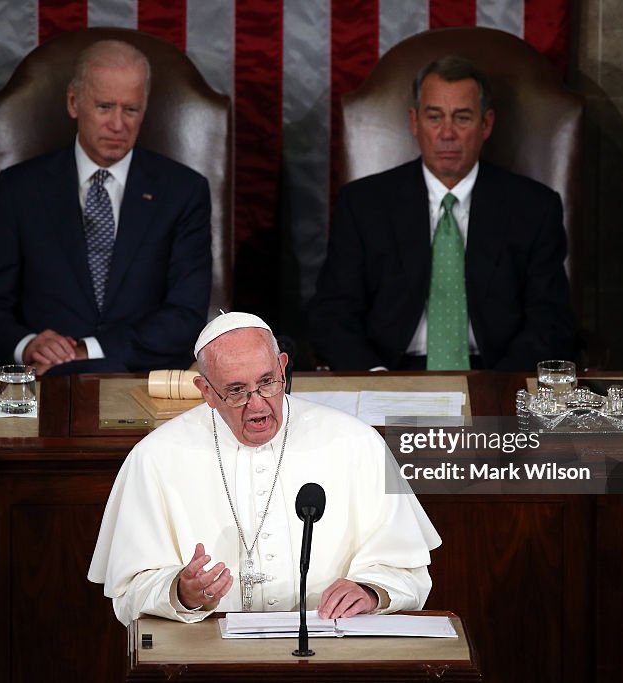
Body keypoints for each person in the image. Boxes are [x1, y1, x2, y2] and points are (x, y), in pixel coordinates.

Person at [88, 311, 441, 625]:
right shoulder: (155, 457)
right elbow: (128, 590)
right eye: (236, 391)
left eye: (268, 382)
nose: (257, 404)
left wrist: (369, 591)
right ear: (206, 391)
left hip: (330, 646)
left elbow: (408, 570)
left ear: (283, 367)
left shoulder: (356, 442)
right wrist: (180, 592)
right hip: (210, 658)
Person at [0, 40, 212, 375]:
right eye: (105, 107)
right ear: (74, 102)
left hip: (143, 382)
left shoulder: (183, 191)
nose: (118, 125)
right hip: (44, 382)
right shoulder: (20, 189)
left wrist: (86, 350)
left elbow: (186, 316)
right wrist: (27, 344)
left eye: (131, 109)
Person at [309, 56, 575, 372]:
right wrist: (375, 378)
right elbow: (333, 313)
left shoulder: (534, 207)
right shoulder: (364, 204)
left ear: (486, 124)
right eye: (434, 117)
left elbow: (549, 319)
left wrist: (500, 384)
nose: (447, 133)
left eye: (462, 118)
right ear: (414, 122)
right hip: (389, 373)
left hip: (495, 373)